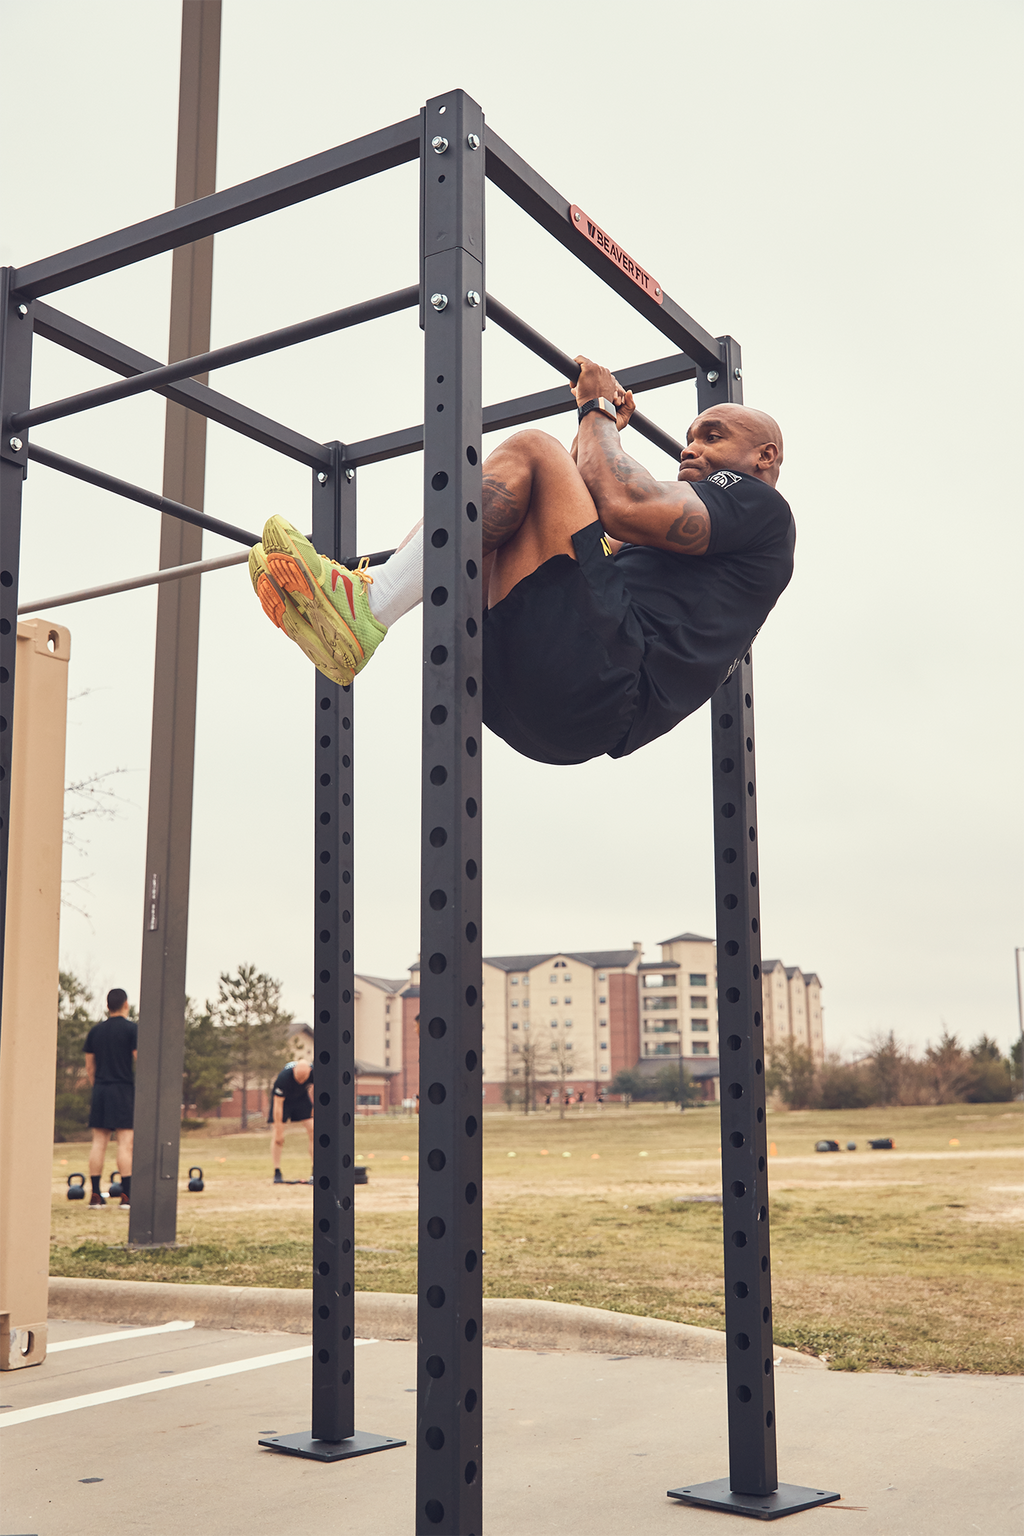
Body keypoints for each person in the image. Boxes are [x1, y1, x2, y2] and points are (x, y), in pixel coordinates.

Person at [248, 357, 793, 766]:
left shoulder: (760, 506)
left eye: (712, 437)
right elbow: (576, 521)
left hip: (599, 678)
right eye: (691, 438)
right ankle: (364, 600)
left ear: (764, 456)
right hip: (544, 702)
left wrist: (597, 410)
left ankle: (370, 604)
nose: (689, 449)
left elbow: (622, 504)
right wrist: (596, 428)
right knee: (493, 506)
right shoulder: (704, 549)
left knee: (532, 448)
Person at [83, 988, 137, 1209]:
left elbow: (89, 1067)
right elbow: (139, 1058)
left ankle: (95, 1196)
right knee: (125, 1144)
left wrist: (99, 1086)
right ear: (126, 1004)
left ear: (107, 1006)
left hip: (101, 1090)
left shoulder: (95, 1032)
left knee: (99, 1143)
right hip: (123, 1089)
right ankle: (127, 1197)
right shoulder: (132, 1030)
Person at [269, 1059, 314, 1183]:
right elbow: (278, 1105)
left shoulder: (314, 1073)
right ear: (294, 1071)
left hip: (301, 1099)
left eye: (304, 1078)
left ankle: (315, 1170)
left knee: (314, 1131)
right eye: (298, 1077)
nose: (301, 1081)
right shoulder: (284, 1078)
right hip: (283, 1102)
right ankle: (277, 1172)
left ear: (309, 1072)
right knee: (278, 1138)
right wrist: (279, 1129)